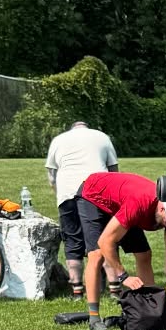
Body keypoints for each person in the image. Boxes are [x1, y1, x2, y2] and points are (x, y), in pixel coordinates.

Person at [75, 168, 166, 330]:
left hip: (121, 203)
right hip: (93, 194)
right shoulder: (140, 204)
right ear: (161, 209)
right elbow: (105, 242)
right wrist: (123, 276)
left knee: (144, 254)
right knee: (97, 255)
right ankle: (94, 318)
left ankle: (152, 308)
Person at [44, 117, 117, 299]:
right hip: (98, 190)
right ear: (86, 126)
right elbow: (114, 170)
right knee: (104, 238)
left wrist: (58, 193)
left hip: (67, 192)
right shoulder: (102, 137)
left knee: (72, 239)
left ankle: (77, 289)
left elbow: (51, 174)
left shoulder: (59, 140)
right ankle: (115, 288)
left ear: (72, 128)